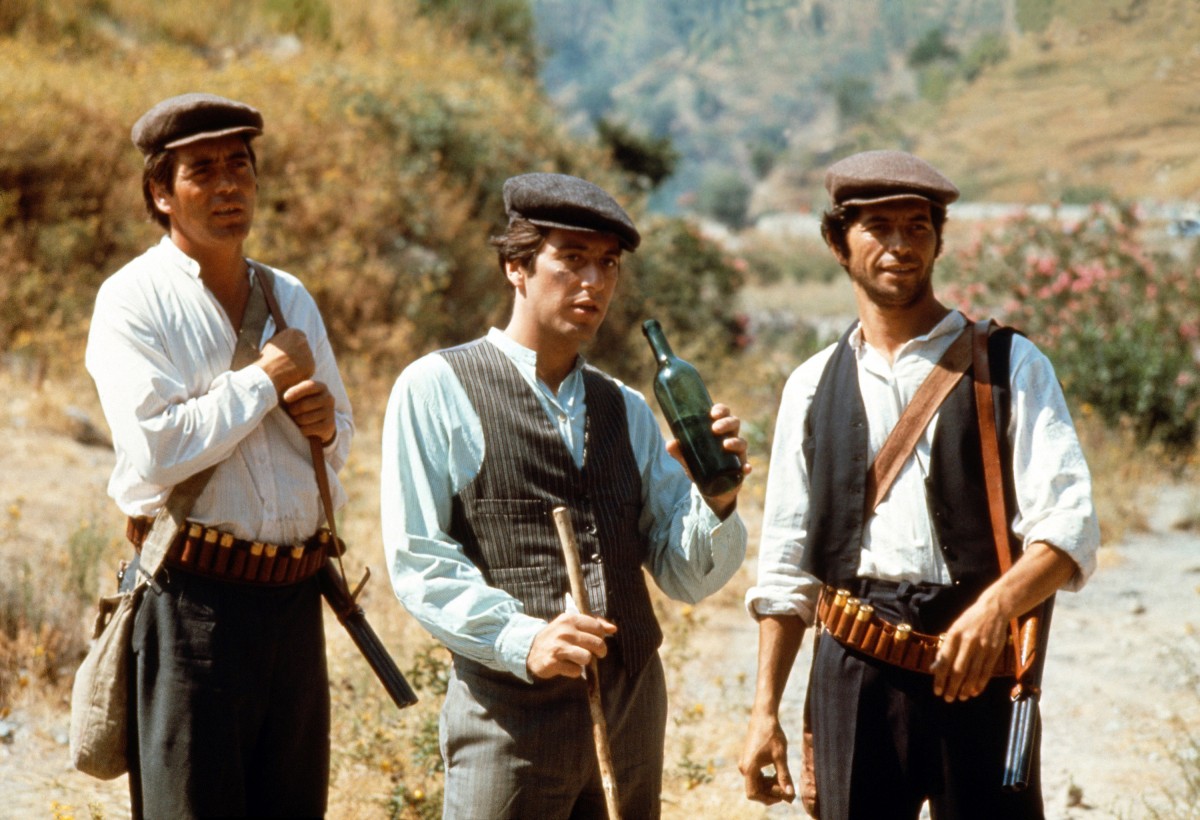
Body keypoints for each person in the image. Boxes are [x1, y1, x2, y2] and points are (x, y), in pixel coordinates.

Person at [738, 150, 1100, 819]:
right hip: (854, 665)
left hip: (981, 661)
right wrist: (764, 712)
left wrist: (994, 611)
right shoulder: (810, 386)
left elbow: (1069, 528)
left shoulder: (1010, 364)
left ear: (938, 240)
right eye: (878, 227)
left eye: (917, 227)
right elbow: (786, 567)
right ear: (837, 243)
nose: (900, 246)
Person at [381, 172, 750, 819]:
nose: (594, 282)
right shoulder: (436, 387)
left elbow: (686, 577)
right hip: (510, 721)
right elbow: (418, 558)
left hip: (631, 713)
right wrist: (522, 639)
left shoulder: (626, 408)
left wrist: (717, 500)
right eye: (572, 259)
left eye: (608, 264)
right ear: (516, 267)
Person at [85, 92, 353, 817]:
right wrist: (264, 381)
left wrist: (326, 427)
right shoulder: (132, 300)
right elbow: (158, 448)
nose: (229, 185)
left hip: (294, 600)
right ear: (161, 194)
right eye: (202, 171)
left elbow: (340, 438)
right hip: (191, 603)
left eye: (240, 166)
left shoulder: (289, 296)